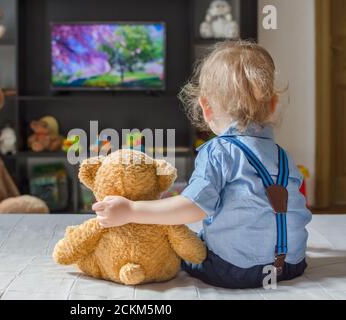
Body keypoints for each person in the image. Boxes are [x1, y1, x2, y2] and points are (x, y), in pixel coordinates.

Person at [92, 41, 312, 289]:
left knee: (176, 249)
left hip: (236, 270)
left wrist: (131, 210)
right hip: (292, 263)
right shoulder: (283, 156)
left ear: (205, 108)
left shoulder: (219, 151)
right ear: (272, 105)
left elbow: (193, 208)